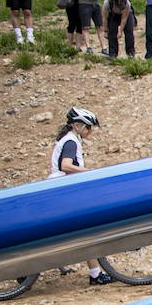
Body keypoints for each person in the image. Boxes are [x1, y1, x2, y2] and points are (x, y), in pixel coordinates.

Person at [48, 108, 114, 285]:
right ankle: (28, 268)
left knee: (83, 231)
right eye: (89, 128)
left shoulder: (69, 139)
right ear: (77, 125)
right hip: (63, 193)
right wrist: (90, 173)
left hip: (62, 192)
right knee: (85, 231)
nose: (90, 131)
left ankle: (95, 273)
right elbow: (66, 166)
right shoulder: (71, 142)